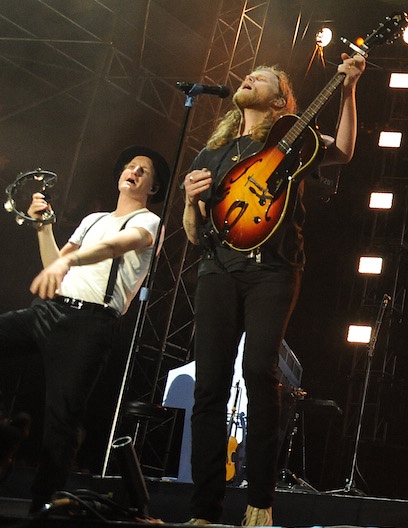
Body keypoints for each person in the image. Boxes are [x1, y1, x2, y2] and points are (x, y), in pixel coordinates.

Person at [181, 59, 363, 527]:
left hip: (274, 270)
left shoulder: (294, 141)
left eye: (262, 78)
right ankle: (203, 511)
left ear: (282, 100)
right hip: (218, 269)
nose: (249, 78)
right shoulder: (213, 153)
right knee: (209, 387)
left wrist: (349, 88)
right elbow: (193, 233)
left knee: (259, 371)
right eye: (250, 75)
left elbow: (342, 150)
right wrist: (187, 200)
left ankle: (260, 501)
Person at [0, 145, 169, 513]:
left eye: (143, 171)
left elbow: (116, 246)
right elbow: (54, 267)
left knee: (62, 419)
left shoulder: (148, 222)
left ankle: (41, 507)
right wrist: (44, 227)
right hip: (50, 310)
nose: (134, 171)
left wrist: (72, 258)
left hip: (89, 325)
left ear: (152, 188)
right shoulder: (93, 218)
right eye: (130, 166)